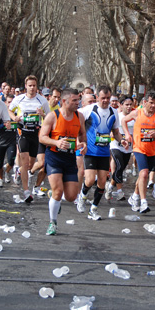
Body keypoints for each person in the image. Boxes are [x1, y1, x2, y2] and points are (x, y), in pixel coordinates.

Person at [39, 88, 86, 235]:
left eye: (78, 100)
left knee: (72, 197)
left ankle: (54, 198)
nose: (78, 103)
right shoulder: (52, 116)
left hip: (70, 158)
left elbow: (82, 134)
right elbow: (42, 137)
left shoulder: (80, 116)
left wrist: (83, 144)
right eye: (74, 100)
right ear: (64, 101)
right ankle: (52, 222)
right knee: (58, 191)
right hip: (54, 157)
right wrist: (57, 142)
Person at [76, 85, 123, 220]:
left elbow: (116, 132)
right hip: (90, 150)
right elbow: (76, 122)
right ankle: (82, 196)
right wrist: (80, 139)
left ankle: (93, 209)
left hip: (104, 152)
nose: (106, 101)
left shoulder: (114, 112)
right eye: (103, 98)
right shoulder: (88, 110)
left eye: (108, 98)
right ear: (97, 97)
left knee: (102, 182)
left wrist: (122, 141)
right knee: (90, 180)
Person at [122, 91, 155, 214]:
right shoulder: (137, 113)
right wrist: (127, 134)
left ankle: (135, 196)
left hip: (152, 150)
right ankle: (143, 202)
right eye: (151, 103)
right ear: (144, 102)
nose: (153, 106)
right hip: (139, 148)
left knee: (144, 175)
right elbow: (124, 121)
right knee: (143, 174)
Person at [8, 75, 50, 203]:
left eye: (34, 86)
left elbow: (49, 116)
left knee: (31, 164)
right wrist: (14, 117)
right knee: (25, 163)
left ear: (37, 87)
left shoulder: (42, 100)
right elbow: (9, 110)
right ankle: (26, 192)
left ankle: (20, 172)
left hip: (35, 134)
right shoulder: (19, 99)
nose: (32, 88)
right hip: (23, 132)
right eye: (30, 85)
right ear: (26, 86)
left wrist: (42, 115)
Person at [108, 96, 134, 201]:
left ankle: (110, 186)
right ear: (121, 105)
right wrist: (119, 138)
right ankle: (119, 191)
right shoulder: (116, 116)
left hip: (128, 148)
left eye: (130, 105)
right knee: (119, 165)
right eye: (126, 105)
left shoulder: (134, 117)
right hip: (115, 145)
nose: (128, 107)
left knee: (120, 169)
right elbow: (110, 132)